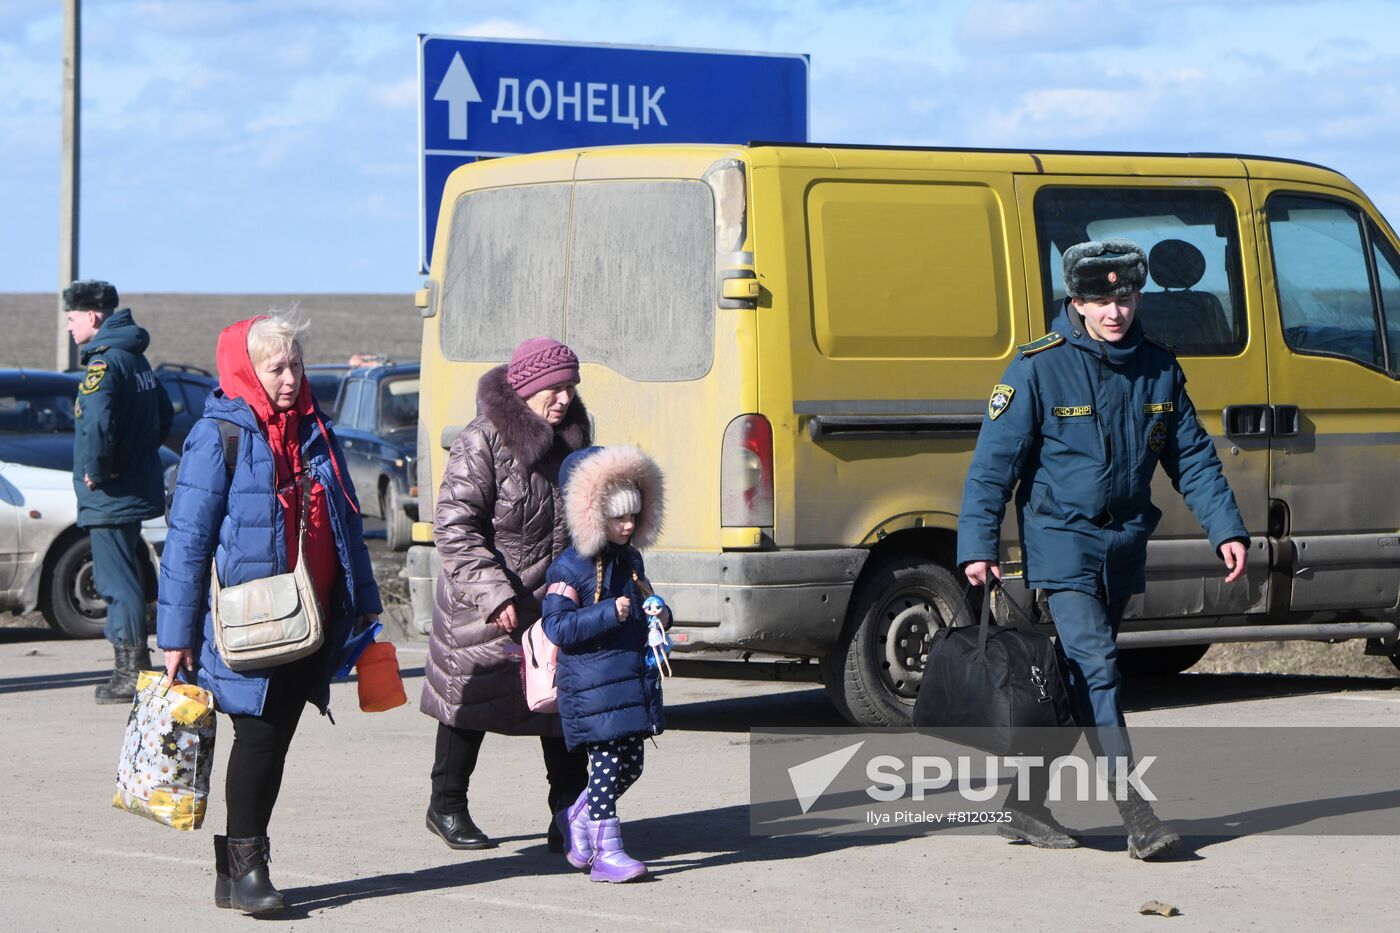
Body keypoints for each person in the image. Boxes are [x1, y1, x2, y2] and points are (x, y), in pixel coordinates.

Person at [956, 239, 1249, 861]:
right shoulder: (1039, 366)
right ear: (1076, 301)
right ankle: (1136, 813)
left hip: (1122, 545)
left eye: (1123, 296)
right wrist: (977, 545)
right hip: (1061, 543)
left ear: (1137, 296)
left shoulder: (1158, 367)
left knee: (1074, 682)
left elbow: (1191, 456)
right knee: (1098, 670)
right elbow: (992, 468)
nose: (1113, 310)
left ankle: (1024, 804)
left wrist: (1226, 529)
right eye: (1098, 299)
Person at [157, 315, 382, 914]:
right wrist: (175, 636)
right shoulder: (219, 435)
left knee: (272, 739)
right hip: (246, 620)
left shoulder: (316, 432)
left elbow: (348, 523)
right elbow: (186, 542)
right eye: (275, 368)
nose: (289, 379)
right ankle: (249, 869)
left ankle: (232, 876)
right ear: (245, 370)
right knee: (259, 737)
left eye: (296, 365)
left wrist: (364, 605)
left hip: (306, 615)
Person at [421, 337, 591, 852]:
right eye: (553, 389)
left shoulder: (575, 438)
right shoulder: (482, 441)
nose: (563, 399)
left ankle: (568, 815)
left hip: (553, 601)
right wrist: (495, 595)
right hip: (486, 601)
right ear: (526, 388)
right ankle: (446, 804)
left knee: (563, 710)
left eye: (570, 388)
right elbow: (454, 528)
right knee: (469, 704)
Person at [541, 445, 667, 883]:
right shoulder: (569, 566)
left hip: (628, 681)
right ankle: (606, 856)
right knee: (609, 763)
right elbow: (556, 626)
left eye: (633, 515)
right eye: (618, 517)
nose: (628, 525)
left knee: (631, 765)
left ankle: (577, 817)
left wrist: (659, 611)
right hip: (591, 686)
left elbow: (641, 601)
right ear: (592, 514)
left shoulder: (630, 559)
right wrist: (606, 613)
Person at [64, 279, 174, 704]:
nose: (70, 328)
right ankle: (136, 667)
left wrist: (99, 469)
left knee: (116, 582)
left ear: (92, 316)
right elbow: (163, 416)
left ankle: (131, 672)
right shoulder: (136, 359)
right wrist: (136, 457)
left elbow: (96, 424)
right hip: (133, 485)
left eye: (72, 319)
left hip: (110, 494)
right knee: (129, 573)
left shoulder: (104, 365)